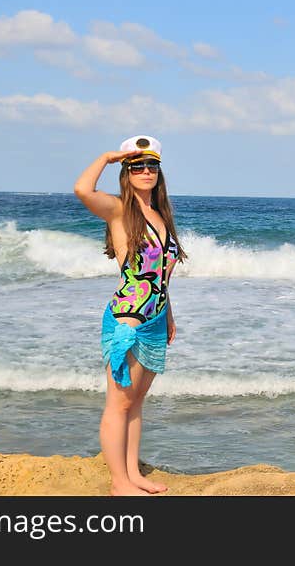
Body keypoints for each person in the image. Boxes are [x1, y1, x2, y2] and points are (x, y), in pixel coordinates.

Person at [73, 135, 187, 495]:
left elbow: (159, 278)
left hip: (155, 320)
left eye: (152, 165)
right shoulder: (121, 210)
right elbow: (81, 189)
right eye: (137, 166)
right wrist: (107, 157)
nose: (146, 171)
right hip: (128, 321)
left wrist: (168, 315)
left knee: (136, 402)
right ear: (126, 171)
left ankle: (133, 474)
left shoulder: (160, 215)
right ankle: (119, 483)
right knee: (119, 403)